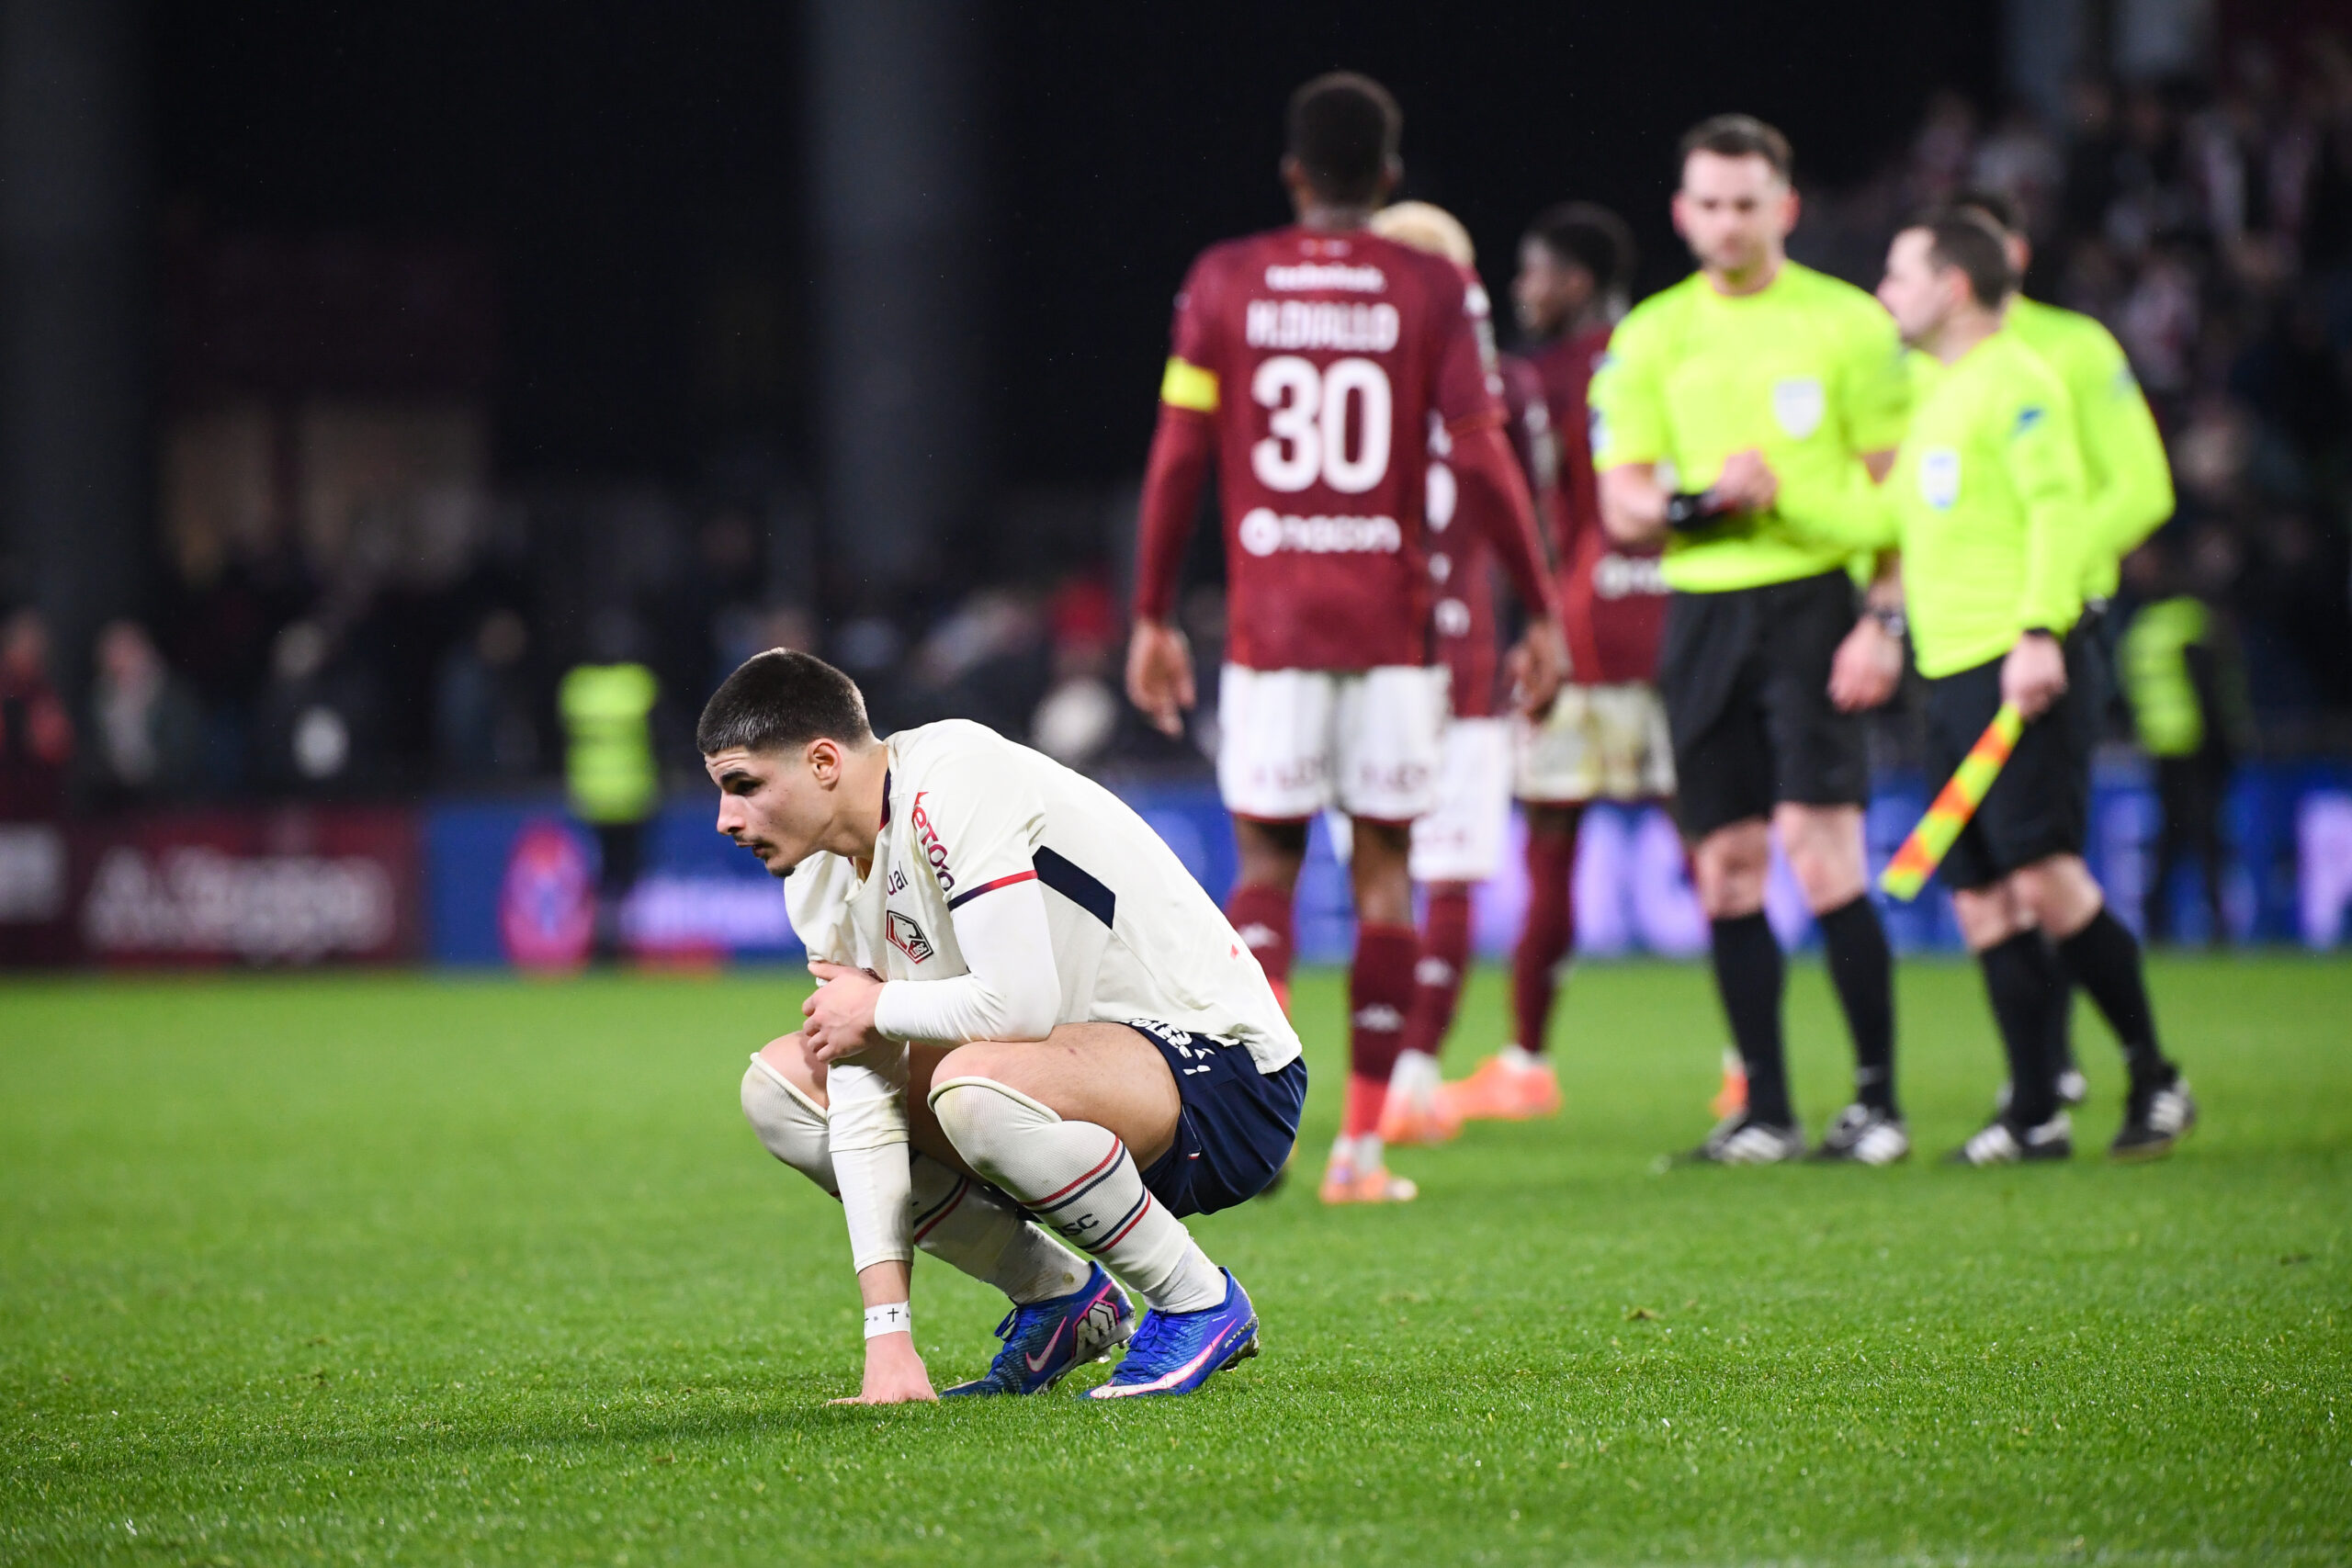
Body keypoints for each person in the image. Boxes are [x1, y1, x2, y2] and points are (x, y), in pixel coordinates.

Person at [1125, 73, 1565, 1203]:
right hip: (1391, 632)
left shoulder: (1225, 279)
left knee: (1265, 866)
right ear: (1389, 176)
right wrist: (1542, 608)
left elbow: (1178, 456)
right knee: (1383, 873)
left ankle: (1247, 1133)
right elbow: (1480, 453)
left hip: (1271, 629)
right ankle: (1360, 1153)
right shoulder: (1428, 286)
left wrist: (1151, 613)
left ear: (1292, 173)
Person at [711, 649, 1302, 1402]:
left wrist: (876, 1008)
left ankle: (1197, 1299)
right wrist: (887, 1340)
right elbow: (865, 1069)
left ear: (824, 760)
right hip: (1059, 1089)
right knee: (787, 1088)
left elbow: (1016, 1003)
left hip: (1227, 1073)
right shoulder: (820, 876)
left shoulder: (952, 776)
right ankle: (1059, 1297)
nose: (727, 818)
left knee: (973, 1087)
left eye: (744, 785)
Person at [1589, 115, 1910, 1165]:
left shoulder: (1850, 325)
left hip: (1817, 603)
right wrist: (1706, 501)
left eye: (1747, 203)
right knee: (1725, 868)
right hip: (1706, 612)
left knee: (1825, 858)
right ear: (1683, 214)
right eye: (1710, 204)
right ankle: (1765, 1111)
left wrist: (1882, 620)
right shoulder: (1652, 334)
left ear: (1786, 207)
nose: (1728, 222)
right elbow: (1625, 504)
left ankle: (1875, 1105)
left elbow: (1894, 493)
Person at [1872, 214, 2196, 1163]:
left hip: (2012, 662)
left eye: (1899, 273)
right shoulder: (1935, 391)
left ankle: (2154, 1075)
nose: (1885, 291)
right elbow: (1894, 522)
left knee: (2046, 878)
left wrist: (2037, 629)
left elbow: (2059, 510)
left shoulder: (2021, 381)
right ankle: (2033, 1110)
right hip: (1946, 669)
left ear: (1953, 287)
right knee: (1979, 899)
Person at [1450, 199, 1682, 1125]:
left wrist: (1535, 626)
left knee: (1552, 845)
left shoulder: (1537, 377)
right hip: (1677, 625)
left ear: (1574, 282)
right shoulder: (1671, 353)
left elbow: (1527, 512)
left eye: (1536, 272)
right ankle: (1752, 1065)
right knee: (1714, 843)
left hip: (1578, 636)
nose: (1523, 289)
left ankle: (1526, 1063)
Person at [1948, 186, 2177, 1102]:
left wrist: (2046, 573)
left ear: (2014, 254)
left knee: (2043, 860)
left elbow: (2140, 490)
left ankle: (2133, 1070)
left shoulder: (2074, 349)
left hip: (2049, 629)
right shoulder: (1927, 368)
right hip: (1952, 642)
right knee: (1990, 881)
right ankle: (2044, 1077)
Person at [1353, 199, 1555, 1146]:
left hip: (1365, 650)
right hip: (1462, 645)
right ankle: (1412, 1076)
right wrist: (1542, 617)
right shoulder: (1497, 384)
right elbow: (1525, 508)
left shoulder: (1349, 371)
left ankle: (1377, 1079)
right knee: (1448, 871)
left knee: (1380, 863)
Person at [2119, 540, 2236, 945]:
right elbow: (2214, 688)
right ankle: (2211, 924)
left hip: (2176, 747)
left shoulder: (2147, 625)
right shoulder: (2187, 620)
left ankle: (2163, 922)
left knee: (2178, 837)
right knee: (2198, 837)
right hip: (2185, 747)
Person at [560, 614, 662, 962]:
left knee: (600, 871)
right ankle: (616, 938)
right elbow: (661, 735)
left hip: (590, 792)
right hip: (632, 791)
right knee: (627, 869)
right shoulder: (636, 684)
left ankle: (601, 936)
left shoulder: (578, 687)